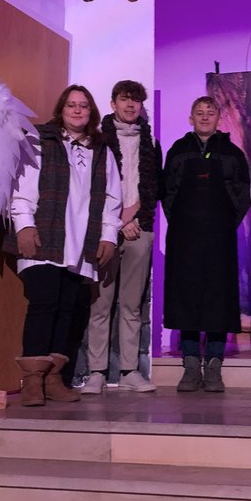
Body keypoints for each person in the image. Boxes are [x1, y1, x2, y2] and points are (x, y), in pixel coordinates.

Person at [11, 85, 121, 407]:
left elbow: (112, 198)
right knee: (44, 304)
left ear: (91, 112)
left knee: (68, 309)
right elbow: (22, 186)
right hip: (45, 236)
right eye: (71, 105)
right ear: (61, 109)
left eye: (83, 105)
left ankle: (54, 378)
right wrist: (24, 225)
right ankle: (33, 379)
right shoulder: (40, 140)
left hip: (80, 242)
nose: (77, 110)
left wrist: (108, 236)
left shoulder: (101, 150)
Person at [163, 96, 251, 392]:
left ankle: (214, 365)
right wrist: (182, 220)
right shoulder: (178, 150)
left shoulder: (232, 153)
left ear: (218, 118)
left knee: (218, 298)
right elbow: (168, 192)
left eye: (209, 113)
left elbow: (243, 192)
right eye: (199, 113)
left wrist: (224, 222)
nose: (204, 117)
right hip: (184, 236)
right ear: (191, 118)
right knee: (186, 298)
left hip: (219, 237)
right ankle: (190, 364)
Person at [82, 80, 162, 394]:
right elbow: (91, 187)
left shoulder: (149, 140)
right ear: (113, 103)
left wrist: (133, 217)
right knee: (101, 303)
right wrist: (116, 221)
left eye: (135, 100)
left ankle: (129, 370)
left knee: (132, 304)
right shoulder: (98, 139)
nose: (130, 105)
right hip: (105, 229)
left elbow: (153, 186)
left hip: (140, 228)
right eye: (124, 99)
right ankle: (96, 372)